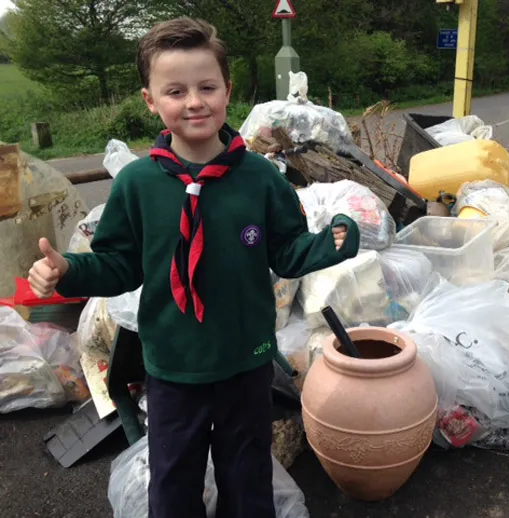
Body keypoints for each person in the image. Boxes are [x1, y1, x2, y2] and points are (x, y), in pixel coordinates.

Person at [27, 17, 360, 518]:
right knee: (174, 483)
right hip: (172, 369)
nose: (194, 102)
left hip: (245, 363)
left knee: (248, 481)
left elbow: (288, 250)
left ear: (228, 91)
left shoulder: (260, 179)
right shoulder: (137, 185)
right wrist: (68, 270)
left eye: (207, 87)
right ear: (150, 101)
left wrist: (328, 244)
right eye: (176, 91)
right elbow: (119, 266)